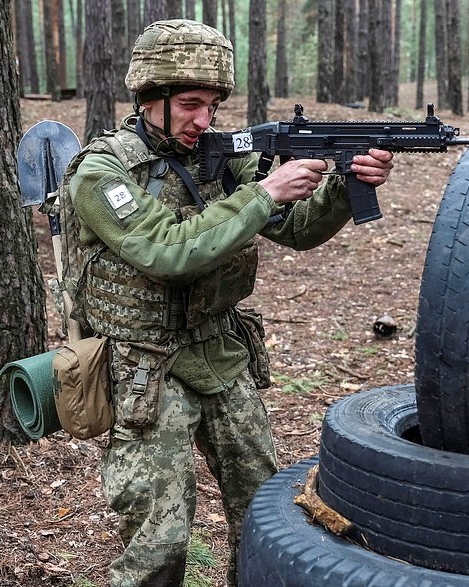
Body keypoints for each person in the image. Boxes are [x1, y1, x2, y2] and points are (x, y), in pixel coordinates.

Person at [63, 19, 394, 586]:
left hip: (219, 353)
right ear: (150, 97)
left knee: (268, 507)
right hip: (145, 365)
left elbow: (295, 229)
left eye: (213, 105)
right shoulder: (103, 172)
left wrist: (346, 186)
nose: (204, 120)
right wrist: (263, 194)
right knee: (158, 536)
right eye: (190, 104)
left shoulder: (222, 156)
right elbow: (166, 251)